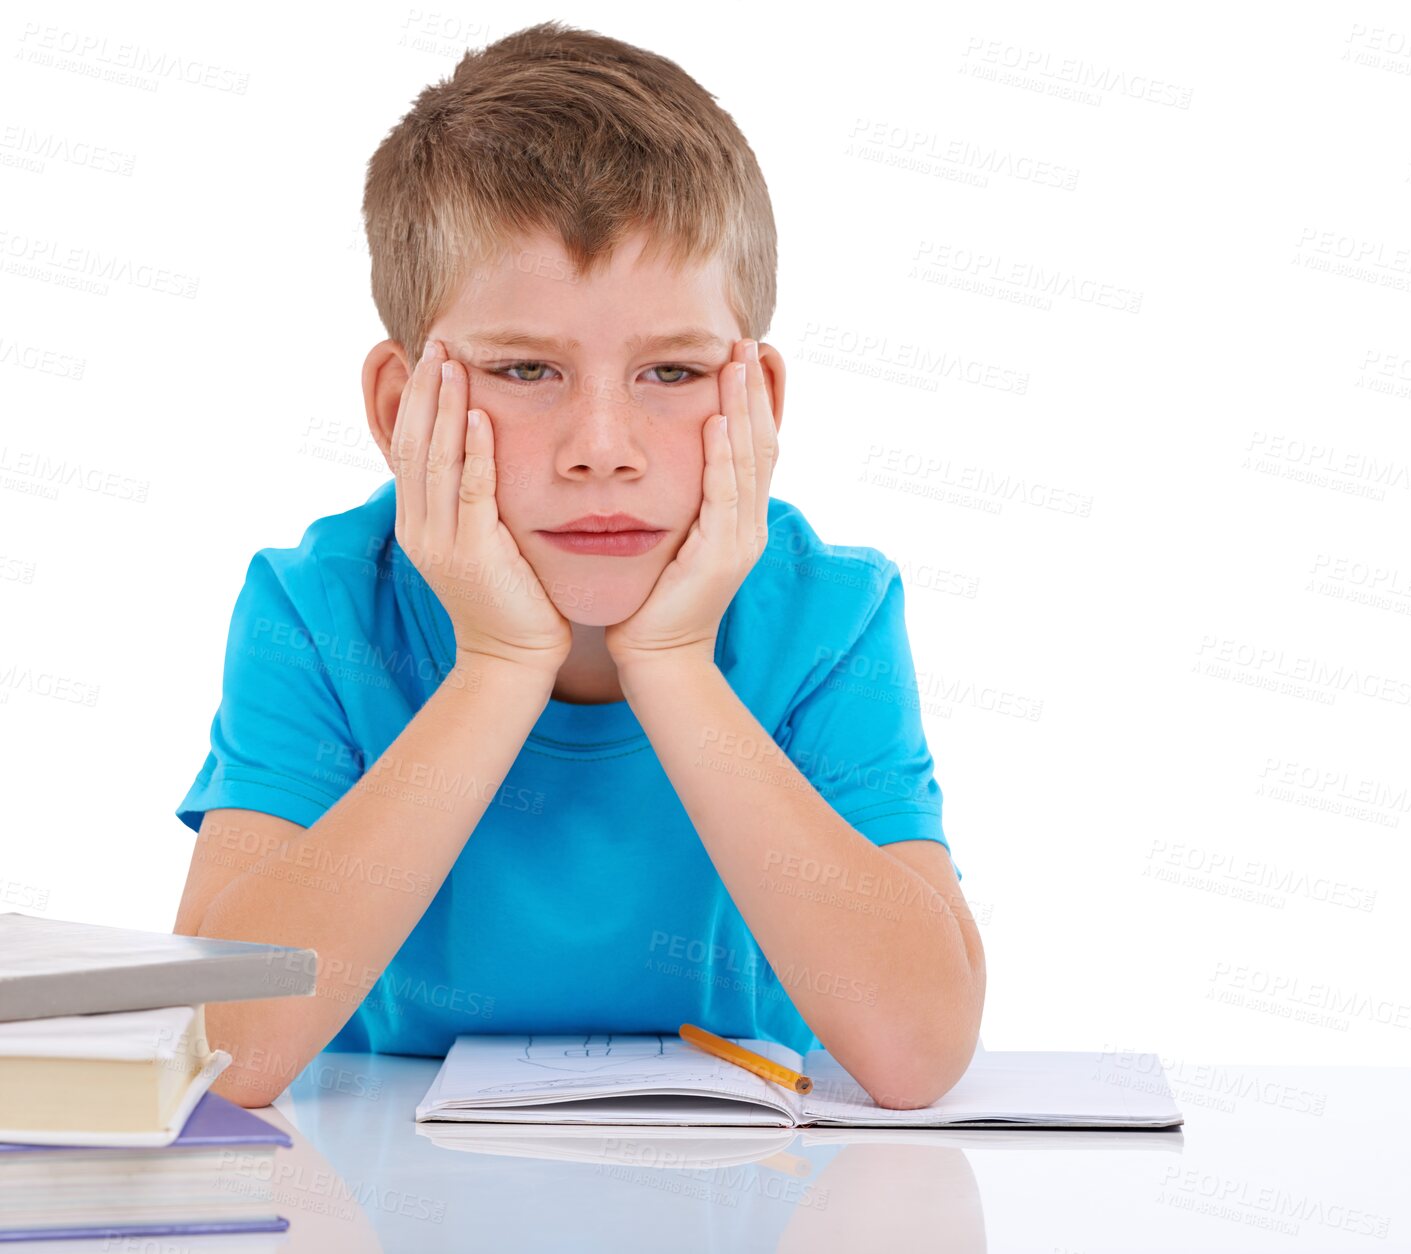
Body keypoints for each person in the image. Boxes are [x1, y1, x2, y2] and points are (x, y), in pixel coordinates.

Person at [172, 19, 984, 1111]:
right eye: (524, 368)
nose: (603, 443)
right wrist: (501, 662)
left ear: (761, 403)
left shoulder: (830, 617)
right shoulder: (317, 610)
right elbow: (223, 1054)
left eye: (672, 372)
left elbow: (916, 1052)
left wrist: (680, 662)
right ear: (399, 405)